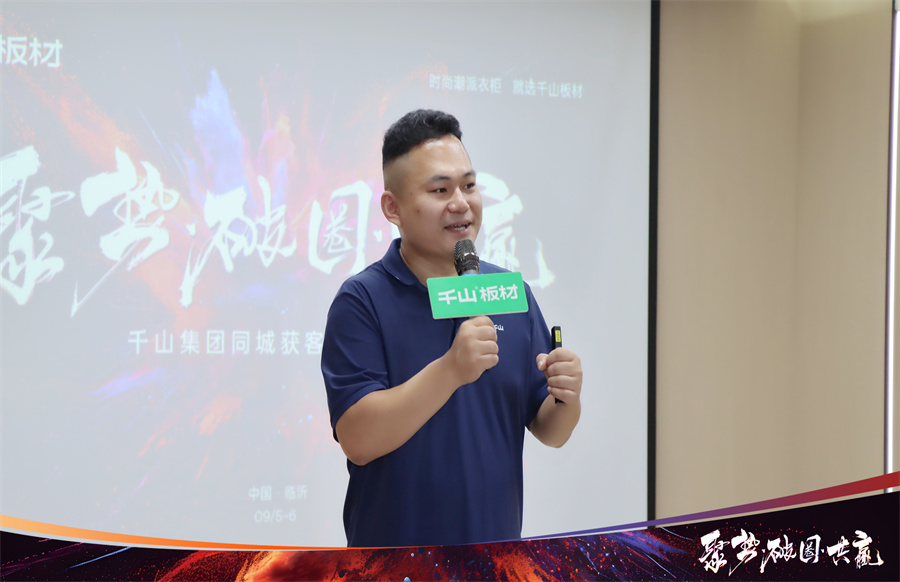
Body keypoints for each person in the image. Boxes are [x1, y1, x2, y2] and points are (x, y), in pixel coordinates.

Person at [321, 109, 583, 547]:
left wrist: (566, 398)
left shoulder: (506, 291)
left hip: (495, 560)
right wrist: (450, 370)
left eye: (469, 185)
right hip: (396, 568)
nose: (461, 203)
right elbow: (358, 440)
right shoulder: (362, 300)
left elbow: (549, 428)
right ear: (392, 208)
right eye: (440, 190)